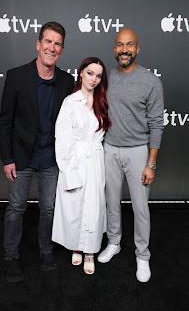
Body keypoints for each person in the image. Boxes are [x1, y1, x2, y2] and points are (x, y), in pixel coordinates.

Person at [0, 21, 74, 283]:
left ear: (61, 50)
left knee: (49, 209)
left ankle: (46, 251)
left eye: (57, 44)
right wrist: (7, 158)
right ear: (38, 44)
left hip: (51, 158)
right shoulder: (17, 76)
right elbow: (5, 120)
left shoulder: (67, 81)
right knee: (16, 208)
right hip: (20, 157)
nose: (51, 48)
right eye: (48, 42)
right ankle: (10, 256)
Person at [97, 29, 164, 282]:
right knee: (111, 202)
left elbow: (157, 124)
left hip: (138, 151)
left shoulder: (151, 82)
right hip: (109, 149)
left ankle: (142, 256)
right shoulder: (107, 77)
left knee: (140, 208)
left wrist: (151, 163)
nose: (124, 50)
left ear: (138, 49)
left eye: (130, 45)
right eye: (120, 45)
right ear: (114, 49)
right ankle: (114, 243)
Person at [52, 57, 111, 275]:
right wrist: (68, 169)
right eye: (90, 73)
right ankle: (76, 246)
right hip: (75, 158)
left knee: (94, 207)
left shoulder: (103, 101)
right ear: (81, 73)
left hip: (95, 161)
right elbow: (62, 138)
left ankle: (90, 251)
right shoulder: (70, 102)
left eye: (98, 75)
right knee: (74, 203)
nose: (94, 79)